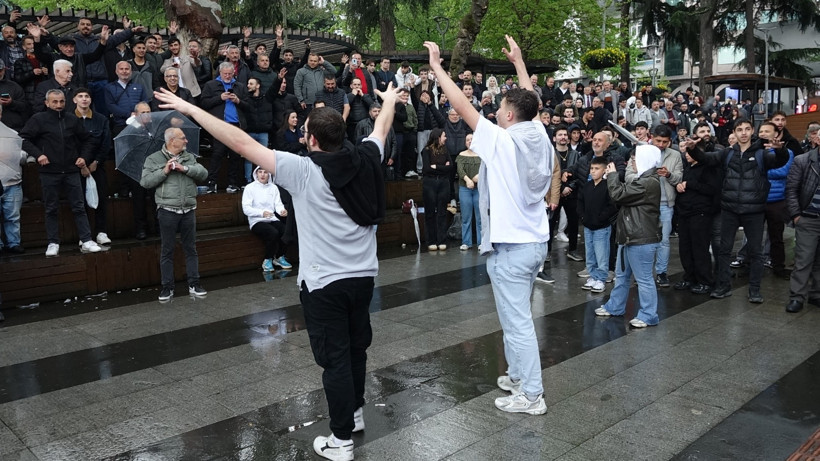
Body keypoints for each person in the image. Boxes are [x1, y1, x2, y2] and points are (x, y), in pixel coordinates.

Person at [154, 74, 398, 461]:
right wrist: (389, 100)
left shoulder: (302, 171)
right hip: (364, 276)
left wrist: (189, 108)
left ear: (312, 140)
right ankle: (352, 414)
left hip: (324, 283)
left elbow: (241, 141)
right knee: (355, 350)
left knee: (334, 359)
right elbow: (382, 126)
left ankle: (341, 441)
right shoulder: (367, 157)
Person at [425, 36, 551, 415]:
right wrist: (519, 65)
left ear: (510, 115)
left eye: (501, 106)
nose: (497, 109)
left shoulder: (502, 140)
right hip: (534, 242)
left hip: (513, 248)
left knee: (517, 324)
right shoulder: (538, 133)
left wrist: (436, 68)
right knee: (518, 318)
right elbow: (532, 102)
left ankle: (531, 394)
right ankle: (516, 375)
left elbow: (462, 105)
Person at [681, 119, 789, 303]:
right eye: (739, 130)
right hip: (730, 208)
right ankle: (723, 286)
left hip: (754, 210)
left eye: (747, 129)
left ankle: (754, 290)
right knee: (724, 250)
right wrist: (692, 149)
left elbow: (779, 161)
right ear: (735, 132)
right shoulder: (727, 154)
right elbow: (706, 158)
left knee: (756, 252)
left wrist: (780, 150)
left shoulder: (762, 154)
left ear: (752, 131)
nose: (744, 133)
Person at [20, 89, 102, 256]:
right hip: (49, 171)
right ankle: (53, 243)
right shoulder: (38, 119)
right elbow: (23, 139)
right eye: (55, 102)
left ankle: (86, 240)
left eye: (61, 101)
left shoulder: (72, 119)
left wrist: (83, 158)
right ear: (47, 103)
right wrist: (38, 155)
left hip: (71, 170)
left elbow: (88, 140)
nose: (58, 105)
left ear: (66, 102)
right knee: (51, 208)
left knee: (79, 207)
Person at [595, 145, 662, 327]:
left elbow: (618, 194)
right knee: (622, 276)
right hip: (630, 235)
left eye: (634, 159)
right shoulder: (645, 179)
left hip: (641, 236)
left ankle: (649, 314)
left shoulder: (648, 182)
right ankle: (615, 306)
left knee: (644, 279)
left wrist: (612, 176)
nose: (632, 163)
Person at [140, 127, 208, 302]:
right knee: (167, 250)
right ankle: (167, 287)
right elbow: (146, 182)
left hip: (188, 210)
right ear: (172, 141)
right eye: (182, 138)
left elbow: (203, 173)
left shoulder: (189, 157)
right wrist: (164, 171)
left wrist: (184, 168)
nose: (186, 141)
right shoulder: (153, 159)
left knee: (191, 249)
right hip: (167, 210)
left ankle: (194, 284)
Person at [674, 145, 720, 294]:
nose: (687, 155)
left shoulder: (708, 168)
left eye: (690, 152)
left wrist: (691, 184)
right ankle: (689, 277)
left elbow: (711, 189)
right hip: (684, 212)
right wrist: (679, 186)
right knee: (685, 248)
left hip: (700, 212)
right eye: (686, 152)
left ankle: (705, 280)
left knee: (700, 248)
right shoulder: (687, 168)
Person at [785, 124, 820, 313]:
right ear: (817, 140)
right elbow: (791, 190)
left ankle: (816, 294)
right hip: (808, 218)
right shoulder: (803, 160)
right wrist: (797, 215)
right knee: (803, 260)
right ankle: (797, 297)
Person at [201, 62, 251, 193]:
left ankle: (233, 183)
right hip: (219, 125)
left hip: (236, 125)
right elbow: (204, 103)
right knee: (217, 154)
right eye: (225, 74)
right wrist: (220, 98)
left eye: (230, 74)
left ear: (234, 72)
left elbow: (249, 105)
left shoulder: (239, 86)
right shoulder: (211, 85)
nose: (228, 76)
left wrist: (238, 101)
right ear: (220, 73)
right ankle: (211, 183)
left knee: (235, 155)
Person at [74, 87, 112, 246]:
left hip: (97, 166)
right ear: (74, 99)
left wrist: (96, 162)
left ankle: (101, 232)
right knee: (79, 202)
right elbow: (69, 145)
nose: (84, 99)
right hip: (75, 168)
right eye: (80, 96)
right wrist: (81, 165)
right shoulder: (69, 119)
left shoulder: (101, 119)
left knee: (101, 199)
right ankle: (84, 235)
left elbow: (106, 143)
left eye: (87, 96)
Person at [577, 156, 618, 293]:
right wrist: (582, 216)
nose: (593, 171)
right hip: (588, 226)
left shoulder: (607, 186)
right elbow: (580, 201)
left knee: (601, 254)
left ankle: (601, 278)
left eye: (597, 169)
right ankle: (593, 275)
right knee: (590, 253)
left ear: (605, 170)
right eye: (592, 168)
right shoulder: (587, 186)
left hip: (601, 227)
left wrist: (601, 218)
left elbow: (612, 205)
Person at [242, 166, 292, 271]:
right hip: (257, 221)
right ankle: (267, 259)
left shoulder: (273, 188)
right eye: (260, 172)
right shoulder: (250, 188)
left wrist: (282, 211)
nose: (263, 174)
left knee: (285, 231)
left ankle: (279, 256)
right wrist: (261, 213)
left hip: (272, 219)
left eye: (265, 172)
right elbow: (246, 209)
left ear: (269, 174)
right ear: (256, 174)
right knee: (273, 233)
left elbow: (278, 204)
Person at [0, 105, 25, 254]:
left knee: (13, 216)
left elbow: (22, 157)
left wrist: (15, 156)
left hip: (13, 183)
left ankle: (14, 243)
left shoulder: (13, 134)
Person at [422, 128, 452, 251]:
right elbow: (427, 169)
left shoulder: (445, 150)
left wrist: (437, 167)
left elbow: (450, 166)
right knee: (430, 212)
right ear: (438, 137)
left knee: (442, 212)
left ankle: (442, 240)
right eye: (444, 136)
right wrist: (442, 167)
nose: (446, 138)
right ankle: (431, 240)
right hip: (430, 183)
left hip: (443, 182)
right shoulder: (426, 151)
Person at [456, 133, 481, 251]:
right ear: (465, 142)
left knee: (480, 217)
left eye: (472, 139)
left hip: (479, 189)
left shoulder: (482, 155)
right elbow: (460, 170)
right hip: (465, 188)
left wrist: (479, 176)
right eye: (468, 140)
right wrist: (467, 180)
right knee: (466, 217)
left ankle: (482, 242)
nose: (470, 141)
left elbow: (486, 168)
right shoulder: (461, 155)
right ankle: (466, 242)